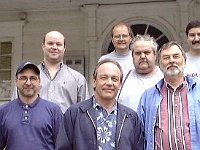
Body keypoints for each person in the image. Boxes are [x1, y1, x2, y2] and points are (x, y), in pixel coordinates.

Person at [56, 59, 145, 150]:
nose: (109, 83)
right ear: (94, 81)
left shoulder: (131, 117)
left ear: (120, 85)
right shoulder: (75, 113)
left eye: (114, 79)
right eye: (104, 77)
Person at [137, 41, 200, 149]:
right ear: (160, 64)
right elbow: (139, 135)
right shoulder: (148, 97)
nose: (171, 61)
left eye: (176, 56)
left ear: (184, 61)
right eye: (166, 58)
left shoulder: (198, 91)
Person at [0, 62, 63, 150]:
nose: (28, 83)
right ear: (16, 81)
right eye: (23, 78)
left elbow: (62, 146)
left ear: (39, 81)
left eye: (33, 78)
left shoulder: (54, 111)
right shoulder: (3, 111)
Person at [39, 31, 90, 113]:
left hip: (66, 125)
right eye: (50, 43)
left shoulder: (78, 79)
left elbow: (84, 112)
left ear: (64, 48)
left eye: (58, 44)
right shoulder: (30, 77)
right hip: (36, 125)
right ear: (43, 46)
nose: (54, 47)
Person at [118, 34, 163, 111]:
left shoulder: (164, 77)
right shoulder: (122, 78)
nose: (142, 56)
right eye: (138, 53)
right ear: (132, 56)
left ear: (155, 55)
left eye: (147, 52)